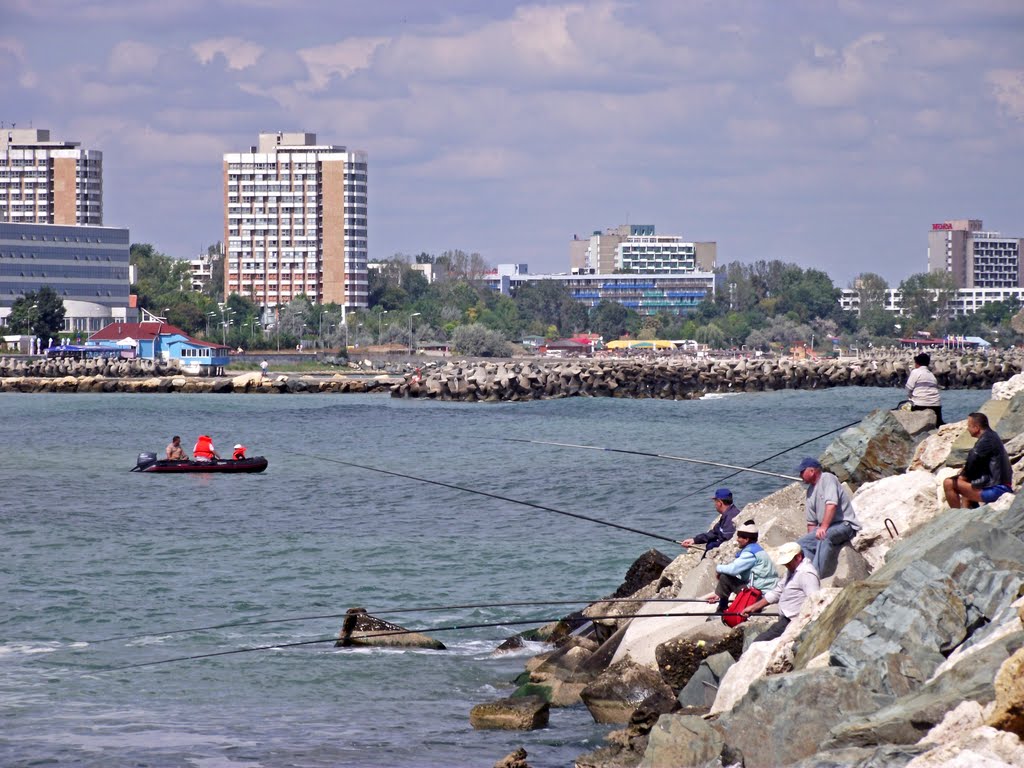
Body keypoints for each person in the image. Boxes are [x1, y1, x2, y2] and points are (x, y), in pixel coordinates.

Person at [795, 457, 861, 579]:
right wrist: (812, 539)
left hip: (844, 525)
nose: (800, 475)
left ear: (812, 471)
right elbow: (811, 523)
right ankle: (804, 574)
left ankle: (814, 576)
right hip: (827, 527)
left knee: (823, 536)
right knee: (801, 544)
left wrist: (824, 527)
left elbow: (831, 505)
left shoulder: (828, 478)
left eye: (802, 472)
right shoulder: (809, 491)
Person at [742, 541, 820, 643]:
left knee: (758, 642)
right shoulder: (792, 571)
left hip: (792, 621)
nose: (786, 565)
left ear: (798, 557)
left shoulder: (806, 574)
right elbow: (777, 592)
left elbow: (815, 600)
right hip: (785, 620)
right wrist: (753, 607)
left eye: (788, 562)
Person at [704, 521, 779, 616]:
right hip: (765, 590)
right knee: (726, 577)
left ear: (746, 539)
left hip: (759, 595)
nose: (737, 539)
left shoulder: (750, 554)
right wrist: (719, 592)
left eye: (739, 537)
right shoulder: (757, 550)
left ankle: (721, 609)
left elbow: (733, 570)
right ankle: (720, 600)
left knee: (725, 577)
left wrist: (718, 568)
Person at [943, 412, 1013, 508]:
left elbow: (973, 459)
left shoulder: (985, 441)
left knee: (949, 483)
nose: (967, 429)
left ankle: (957, 515)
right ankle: (967, 513)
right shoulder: (992, 436)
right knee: (967, 482)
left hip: (997, 489)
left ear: (976, 428)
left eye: (969, 426)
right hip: (1003, 485)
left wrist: (962, 476)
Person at [678, 488, 741, 555]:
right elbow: (713, 533)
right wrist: (694, 540)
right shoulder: (727, 514)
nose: (715, 504)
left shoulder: (731, 516)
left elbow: (727, 538)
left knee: (711, 544)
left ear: (719, 503)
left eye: (715, 501)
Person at [905, 352, 943, 425]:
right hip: (936, 406)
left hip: (920, 405)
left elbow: (908, 389)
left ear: (917, 363)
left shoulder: (915, 372)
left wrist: (910, 397)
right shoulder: (931, 375)